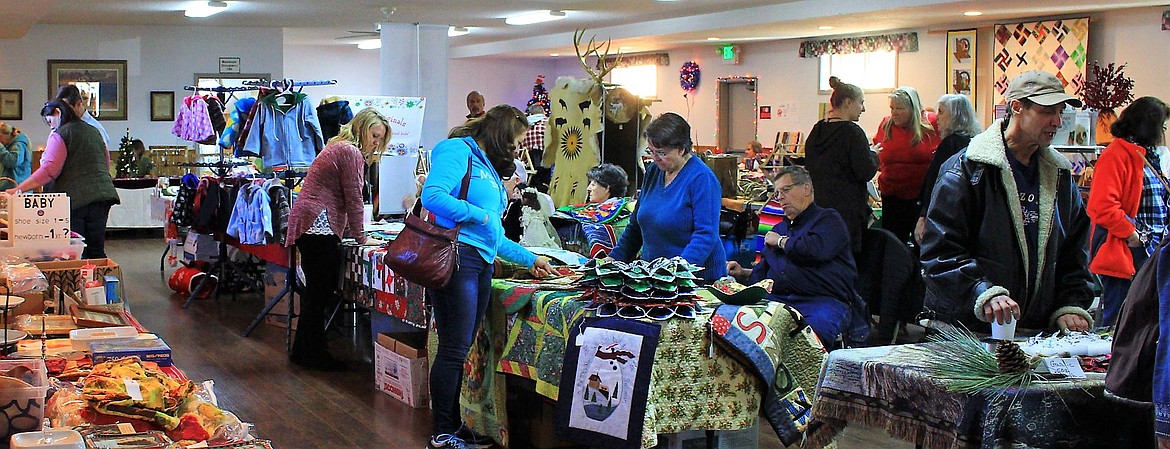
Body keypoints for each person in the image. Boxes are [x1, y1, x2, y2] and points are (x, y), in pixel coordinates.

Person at [920, 70, 1094, 333]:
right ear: (1017, 107)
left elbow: (1074, 254)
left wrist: (1070, 305)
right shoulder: (967, 168)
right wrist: (983, 291)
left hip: (1033, 332)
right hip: (967, 331)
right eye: (1048, 112)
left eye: (1060, 112)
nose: (1057, 122)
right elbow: (941, 251)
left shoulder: (1060, 177)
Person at [421, 104, 553, 449]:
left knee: (459, 348)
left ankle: (451, 428)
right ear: (500, 134)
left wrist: (530, 258)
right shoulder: (456, 150)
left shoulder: (487, 165)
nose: (517, 149)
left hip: (477, 261)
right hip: (458, 258)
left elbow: (493, 233)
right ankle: (442, 433)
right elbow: (432, 196)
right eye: (514, 141)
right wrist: (478, 214)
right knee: (454, 349)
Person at [284, 108, 389, 370]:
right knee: (320, 294)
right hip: (318, 224)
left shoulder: (338, 146)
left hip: (312, 223)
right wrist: (363, 237)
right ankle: (314, 355)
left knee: (315, 295)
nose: (376, 143)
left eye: (380, 139)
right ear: (362, 129)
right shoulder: (350, 152)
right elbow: (353, 197)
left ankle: (304, 352)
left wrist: (356, 232)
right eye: (374, 135)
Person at [726, 166, 865, 345]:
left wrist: (781, 242)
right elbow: (761, 276)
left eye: (786, 190)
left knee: (806, 342)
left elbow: (814, 251)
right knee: (737, 329)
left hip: (821, 301)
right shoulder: (779, 229)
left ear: (806, 189)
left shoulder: (828, 220)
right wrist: (743, 273)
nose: (780, 197)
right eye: (777, 193)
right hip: (780, 300)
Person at [610, 112, 727, 281]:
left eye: (662, 153)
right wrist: (614, 259)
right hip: (656, 276)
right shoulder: (653, 171)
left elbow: (705, 235)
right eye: (651, 151)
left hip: (695, 280)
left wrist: (677, 272)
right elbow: (636, 226)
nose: (655, 158)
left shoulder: (702, 179)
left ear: (682, 149)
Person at [1087, 96, 1170, 327]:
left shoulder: (1145, 155)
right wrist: (1131, 235)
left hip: (1152, 250)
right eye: (1161, 126)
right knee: (1118, 320)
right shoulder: (1116, 155)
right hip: (1129, 251)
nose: (1163, 132)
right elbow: (1102, 206)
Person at [7, 100, 119, 258]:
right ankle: (99, 281)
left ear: (58, 113)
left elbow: (49, 170)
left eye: (50, 120)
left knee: (75, 251)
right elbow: (105, 162)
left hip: (75, 200)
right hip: (103, 197)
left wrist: (18, 189)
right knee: (96, 249)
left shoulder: (61, 134)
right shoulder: (94, 131)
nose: (51, 126)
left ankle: (77, 281)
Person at [804, 76, 880, 254]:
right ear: (847, 102)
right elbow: (865, 171)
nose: (863, 109)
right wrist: (874, 155)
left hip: (820, 207)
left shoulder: (817, 130)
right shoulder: (852, 132)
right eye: (861, 103)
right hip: (848, 212)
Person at [873, 86, 941, 244]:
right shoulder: (886, 124)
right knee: (894, 244)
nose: (894, 113)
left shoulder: (932, 123)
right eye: (892, 108)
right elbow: (877, 154)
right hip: (892, 196)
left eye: (900, 108)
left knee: (921, 243)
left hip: (921, 198)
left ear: (913, 108)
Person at [914, 94, 983, 243]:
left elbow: (935, 182)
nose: (936, 118)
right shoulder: (976, 142)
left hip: (947, 216)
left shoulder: (950, 144)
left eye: (941, 112)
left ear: (956, 115)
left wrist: (924, 215)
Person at [55, 85, 111, 151]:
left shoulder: (95, 129)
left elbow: (100, 158)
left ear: (78, 103)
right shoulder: (61, 127)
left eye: (67, 108)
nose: (64, 112)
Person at [523, 103, 552, 191]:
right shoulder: (548, 124)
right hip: (547, 164)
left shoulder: (524, 128)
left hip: (530, 166)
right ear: (543, 112)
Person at [0, 123, 32, 190]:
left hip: (16, 187)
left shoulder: (18, 145)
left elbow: (12, 162)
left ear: (6, 135)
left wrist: (1, 148)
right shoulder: (14, 144)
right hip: (15, 185)